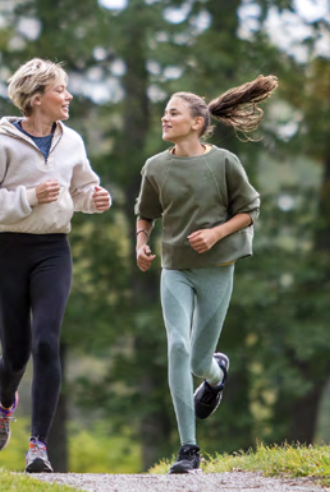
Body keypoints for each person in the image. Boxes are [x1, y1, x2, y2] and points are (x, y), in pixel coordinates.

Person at [0, 58, 112, 473]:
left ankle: (38, 447)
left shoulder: (72, 142)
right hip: (6, 251)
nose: (68, 96)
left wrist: (94, 199)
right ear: (35, 99)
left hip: (53, 250)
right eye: (60, 90)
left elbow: (82, 188)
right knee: (15, 354)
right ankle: (5, 405)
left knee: (47, 342)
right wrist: (30, 197)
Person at [133, 75, 278, 474]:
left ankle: (216, 374)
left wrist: (216, 232)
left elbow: (250, 210)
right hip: (174, 269)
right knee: (177, 346)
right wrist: (141, 243)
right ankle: (189, 450)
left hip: (217, 269)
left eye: (173, 112)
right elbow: (145, 213)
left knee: (199, 360)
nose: (164, 118)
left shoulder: (224, 163)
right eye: (164, 112)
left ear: (197, 122)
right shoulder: (155, 167)